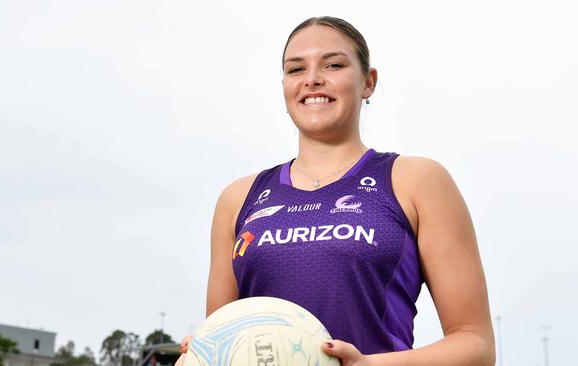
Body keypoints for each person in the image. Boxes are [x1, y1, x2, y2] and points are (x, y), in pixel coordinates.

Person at [176, 16, 495, 366]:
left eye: (333, 64)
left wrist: (368, 365)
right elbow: (224, 336)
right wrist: (203, 351)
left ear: (368, 83)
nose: (312, 79)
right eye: (296, 69)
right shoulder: (239, 199)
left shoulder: (416, 180)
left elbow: (475, 345)